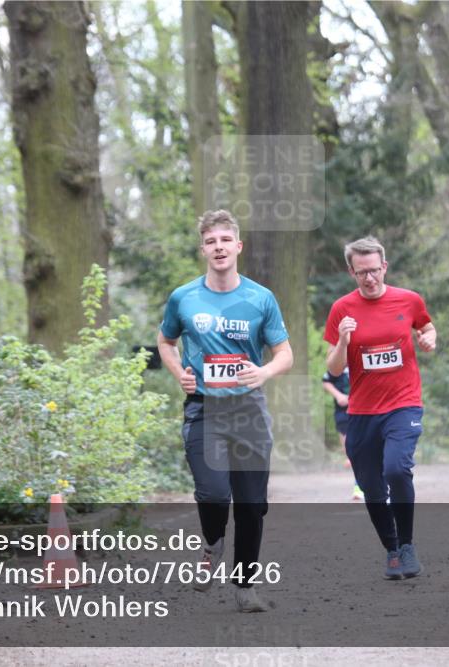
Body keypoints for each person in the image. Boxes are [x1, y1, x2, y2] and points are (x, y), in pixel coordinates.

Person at [157, 209, 293, 613]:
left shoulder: (259, 298)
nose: (218, 247)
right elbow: (165, 342)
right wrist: (179, 370)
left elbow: (285, 353)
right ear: (203, 249)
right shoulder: (184, 297)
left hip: (248, 410)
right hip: (204, 409)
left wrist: (264, 371)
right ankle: (211, 543)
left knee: (252, 505)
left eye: (224, 240)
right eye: (210, 241)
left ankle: (245, 586)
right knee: (214, 493)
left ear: (238, 246)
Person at [324, 236, 437, 580]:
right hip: (362, 411)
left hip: (404, 404)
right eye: (362, 273)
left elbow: (426, 325)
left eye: (374, 270)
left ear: (384, 266)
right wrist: (343, 340)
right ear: (352, 272)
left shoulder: (409, 300)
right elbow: (332, 369)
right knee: (371, 487)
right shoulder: (342, 308)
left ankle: (407, 545)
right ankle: (391, 549)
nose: (369, 278)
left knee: (396, 470)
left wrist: (430, 337)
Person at [320, 367, 364, 500]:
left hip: (365, 410)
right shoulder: (338, 364)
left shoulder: (363, 359)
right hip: (343, 412)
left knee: (362, 451)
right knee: (352, 451)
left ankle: (360, 486)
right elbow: (326, 380)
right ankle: (360, 483)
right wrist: (338, 395)